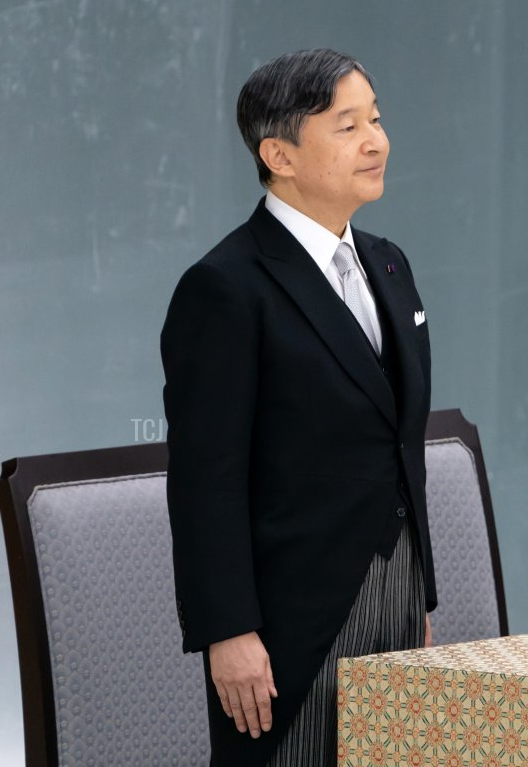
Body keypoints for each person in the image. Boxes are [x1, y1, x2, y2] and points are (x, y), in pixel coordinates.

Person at [161, 48, 435, 766]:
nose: (377, 140)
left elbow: (398, 444)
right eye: (347, 126)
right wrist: (228, 631)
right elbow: (204, 477)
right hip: (290, 619)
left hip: (395, 593)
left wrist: (417, 594)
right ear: (279, 153)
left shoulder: (389, 262)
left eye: (375, 119)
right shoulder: (225, 288)